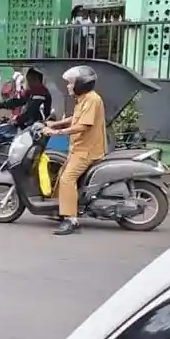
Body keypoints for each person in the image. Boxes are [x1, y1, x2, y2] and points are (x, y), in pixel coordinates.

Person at [43, 65, 107, 236]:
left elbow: (83, 125)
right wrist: (55, 124)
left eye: (71, 83)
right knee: (61, 176)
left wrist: (57, 132)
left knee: (67, 179)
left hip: (87, 151)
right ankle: (62, 209)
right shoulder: (84, 99)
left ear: (81, 84)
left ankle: (71, 219)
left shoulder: (93, 99)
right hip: (78, 149)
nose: (68, 86)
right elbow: (75, 118)